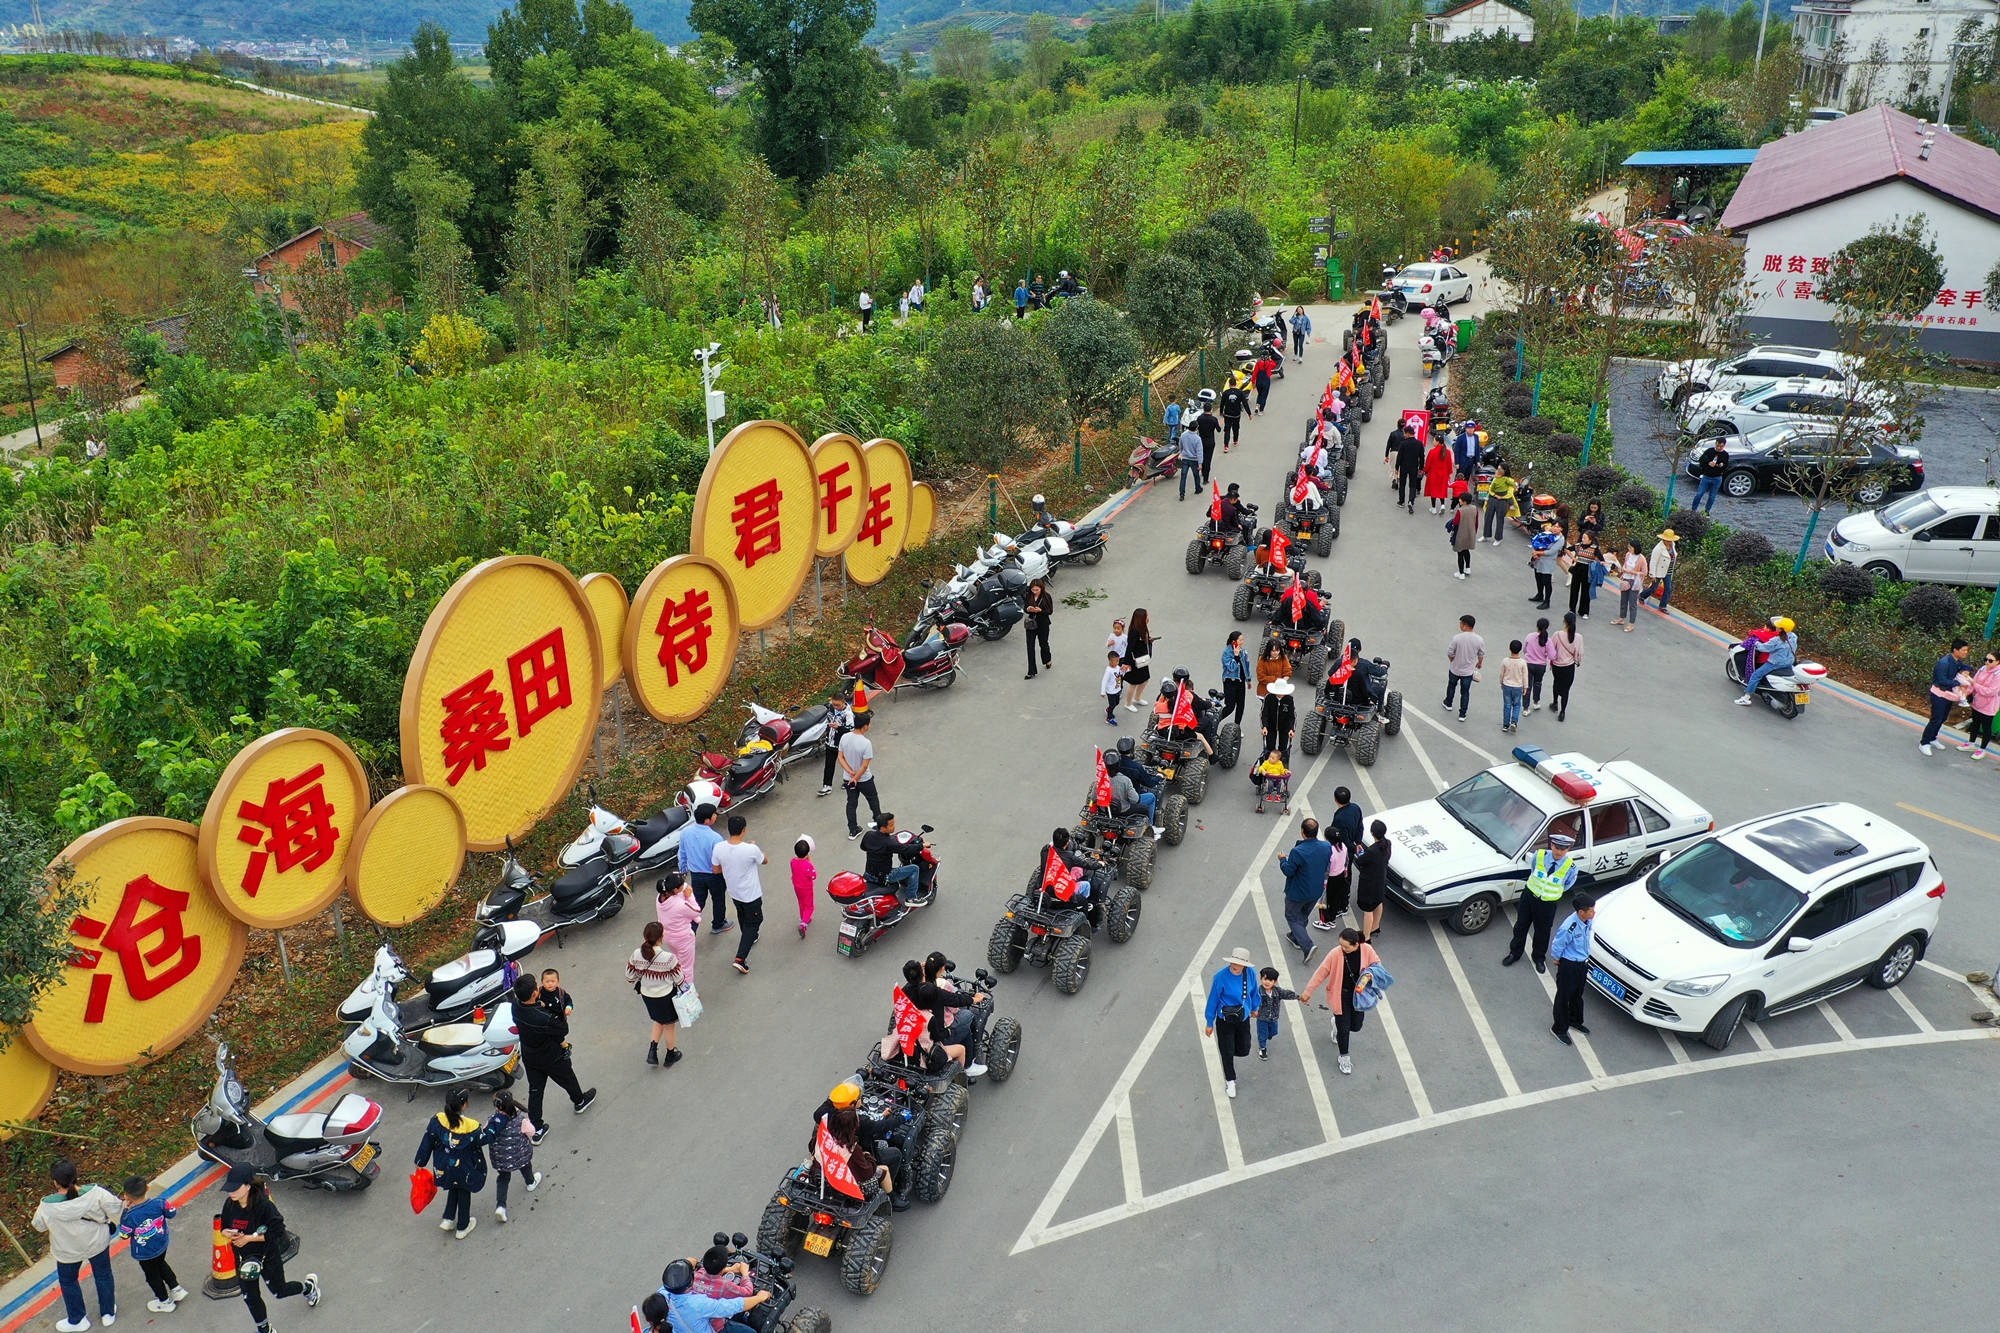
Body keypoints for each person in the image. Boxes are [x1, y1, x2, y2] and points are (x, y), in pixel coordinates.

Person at [218, 1163, 318, 1329]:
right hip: (244, 1259)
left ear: (248, 1186)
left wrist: (249, 1238)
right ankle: (264, 1328)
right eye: (229, 1189)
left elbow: (277, 1231)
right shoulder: (230, 1204)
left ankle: (308, 1288)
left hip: (267, 1256)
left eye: (235, 1188)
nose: (231, 1193)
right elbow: (224, 1226)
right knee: (250, 1296)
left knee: (280, 1291)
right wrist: (226, 1233)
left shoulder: (264, 1206)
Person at [34, 1158, 121, 1332]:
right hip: (97, 1242)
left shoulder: (47, 1206)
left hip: (67, 1251)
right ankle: (108, 1313)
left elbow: (39, 1226)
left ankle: (77, 1319)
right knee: (103, 1275)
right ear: (76, 1175)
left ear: (55, 1182)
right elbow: (116, 1207)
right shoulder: (95, 1193)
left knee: (68, 1281)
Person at [513, 972, 597, 1130]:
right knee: (567, 1077)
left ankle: (536, 1128)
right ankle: (579, 1102)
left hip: (530, 1055)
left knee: (535, 1090)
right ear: (534, 994)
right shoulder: (544, 1017)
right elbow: (562, 1030)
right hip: (551, 1056)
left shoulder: (516, 1006)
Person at [416, 1087, 496, 1240]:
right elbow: (485, 1139)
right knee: (464, 1192)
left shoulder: (437, 1120)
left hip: (443, 1166)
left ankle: (448, 1218)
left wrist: (420, 1162)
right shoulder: (471, 1126)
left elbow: (428, 1140)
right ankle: (462, 1226)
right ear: (464, 1105)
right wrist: (494, 1124)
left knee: (453, 1187)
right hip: (463, 1168)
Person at [1299, 927, 1381, 1075]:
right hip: (1340, 995)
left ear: (1356, 944)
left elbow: (1377, 965)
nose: (1342, 948)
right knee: (1344, 1029)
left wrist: (1369, 976)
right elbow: (1321, 973)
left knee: (1356, 1026)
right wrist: (1308, 991)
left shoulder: (1367, 950)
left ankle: (1335, 1024)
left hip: (1358, 996)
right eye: (1341, 945)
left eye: (1346, 946)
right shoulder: (1335, 954)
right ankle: (1344, 1057)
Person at [1502, 829, 1579, 973]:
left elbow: (1567, 884)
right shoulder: (1539, 855)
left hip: (1547, 904)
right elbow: (1533, 871)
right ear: (1552, 845)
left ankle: (1539, 958)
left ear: (1568, 849)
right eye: (1557, 847)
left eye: (1564, 849)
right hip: (1529, 897)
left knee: (1542, 932)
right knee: (1521, 927)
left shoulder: (1571, 867)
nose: (1559, 852)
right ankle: (1514, 953)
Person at [119, 1175, 187, 1314]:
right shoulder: (160, 1203)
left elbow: (124, 1235)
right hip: (161, 1244)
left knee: (152, 1276)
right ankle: (175, 1288)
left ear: (126, 1196)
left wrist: (125, 1211)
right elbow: (172, 1213)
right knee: (161, 1264)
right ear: (148, 1188)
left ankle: (164, 1301)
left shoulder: (129, 1216)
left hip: (144, 1253)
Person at [713, 815, 767, 975]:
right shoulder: (750, 849)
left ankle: (750, 937)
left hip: (734, 892)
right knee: (755, 920)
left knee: (742, 915)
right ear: (744, 830)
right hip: (751, 894)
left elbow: (716, 869)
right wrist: (755, 848)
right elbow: (765, 861)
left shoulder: (719, 848)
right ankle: (740, 959)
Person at [1203, 946, 1259, 1100]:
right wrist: (1209, 1022)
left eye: (1238, 964)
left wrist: (1255, 1007)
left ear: (1245, 965)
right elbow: (1213, 1000)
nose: (1234, 966)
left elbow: (1254, 992)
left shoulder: (1250, 974)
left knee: (1244, 1048)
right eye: (1233, 963)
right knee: (1227, 1051)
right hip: (1225, 1020)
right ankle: (1230, 1080)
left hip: (1243, 1018)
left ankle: (1229, 1049)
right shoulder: (1220, 977)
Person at [656, 1258, 770, 1333]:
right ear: (691, 1281)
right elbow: (734, 1305)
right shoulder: (699, 1304)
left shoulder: (662, 1294)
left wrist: (686, 1263)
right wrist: (759, 1297)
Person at [628, 920, 685, 1063]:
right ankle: (671, 1054)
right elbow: (679, 979)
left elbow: (630, 977)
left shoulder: (636, 954)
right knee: (669, 1026)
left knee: (658, 1020)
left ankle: (652, 1051)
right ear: (661, 937)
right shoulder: (669, 958)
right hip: (665, 996)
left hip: (647, 996)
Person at [1279, 818, 1333, 964]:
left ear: (1303, 832)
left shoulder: (1298, 852)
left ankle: (1307, 946)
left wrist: (1283, 859)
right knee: (1303, 914)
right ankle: (1295, 937)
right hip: (1316, 890)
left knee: (1291, 916)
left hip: (1298, 892)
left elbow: (1289, 871)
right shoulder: (1326, 846)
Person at [1549, 893, 1598, 1046]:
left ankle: (1574, 1020)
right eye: (1591, 910)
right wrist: (1558, 960)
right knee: (1563, 998)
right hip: (1569, 965)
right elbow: (1558, 945)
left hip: (1581, 963)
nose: (1594, 913)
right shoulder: (1569, 927)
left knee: (1577, 994)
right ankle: (1559, 1028)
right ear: (1581, 912)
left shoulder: (1586, 921)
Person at [486, 1091, 541, 1222]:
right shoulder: (520, 1120)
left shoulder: (492, 1121)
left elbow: (486, 1131)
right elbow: (532, 1132)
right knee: (526, 1167)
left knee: (503, 1179)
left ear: (497, 1107)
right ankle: (530, 1182)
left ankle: (501, 1206)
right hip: (520, 1155)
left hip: (501, 1159)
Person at [679, 803, 731, 935]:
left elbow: (682, 853)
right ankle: (718, 924)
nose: (716, 816)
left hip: (696, 875)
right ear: (708, 820)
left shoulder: (686, 832)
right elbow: (722, 859)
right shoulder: (716, 838)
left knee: (697, 903)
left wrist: (683, 869)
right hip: (714, 876)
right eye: (714, 814)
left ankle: (690, 930)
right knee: (718, 899)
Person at [1919, 638, 1973, 755]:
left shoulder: (1958, 662)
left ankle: (1933, 738)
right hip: (1939, 694)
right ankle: (1924, 743)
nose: (1965, 653)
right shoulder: (1944, 663)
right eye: (1963, 650)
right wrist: (1959, 683)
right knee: (1936, 719)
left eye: (1966, 650)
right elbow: (1941, 680)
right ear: (1955, 650)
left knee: (1942, 718)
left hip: (1948, 695)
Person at [1320, 786, 1363, 929]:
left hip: (1344, 852)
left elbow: (1342, 839)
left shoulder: (1339, 818)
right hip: (1351, 849)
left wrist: (1351, 847)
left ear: (1335, 799)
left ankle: (1340, 907)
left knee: (1340, 880)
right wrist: (1357, 843)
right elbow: (1360, 827)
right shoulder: (1356, 808)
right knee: (1347, 877)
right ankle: (1343, 904)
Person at [689, 1244, 758, 1330]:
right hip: (715, 1327)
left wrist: (730, 1269)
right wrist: (744, 1273)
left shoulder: (696, 1275)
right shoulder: (724, 1285)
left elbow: (708, 1271)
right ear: (724, 1266)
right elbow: (747, 1292)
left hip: (694, 1321)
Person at [839, 712, 882, 839]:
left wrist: (850, 773)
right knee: (873, 801)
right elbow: (864, 766)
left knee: (851, 804)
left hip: (848, 779)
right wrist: (856, 777)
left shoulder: (844, 737)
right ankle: (879, 826)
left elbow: (840, 757)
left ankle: (853, 830)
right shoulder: (866, 743)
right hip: (864, 779)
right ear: (865, 726)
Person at [655, 871, 701, 988]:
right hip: (683, 939)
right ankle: (688, 991)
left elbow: (680, 890)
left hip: (668, 937)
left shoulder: (660, 897)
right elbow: (696, 910)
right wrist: (690, 896)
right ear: (675, 890)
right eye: (682, 885)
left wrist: (683, 887)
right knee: (687, 967)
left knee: (679, 962)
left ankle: (678, 980)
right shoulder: (680, 905)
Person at [1104, 752, 1163, 837]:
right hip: (1124, 810)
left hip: (1106, 810)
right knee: (1151, 799)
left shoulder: (1100, 780)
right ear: (1118, 765)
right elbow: (1135, 799)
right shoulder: (1125, 780)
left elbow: (1094, 798)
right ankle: (1150, 827)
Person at [1958, 650, 2000, 756]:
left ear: (1998, 662)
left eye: (1990, 661)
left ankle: (1982, 749)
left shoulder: (1998, 674)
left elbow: (1990, 691)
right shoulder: (1982, 669)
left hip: (1989, 705)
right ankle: (1971, 743)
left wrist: (1974, 685)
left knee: (1986, 727)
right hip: (1977, 702)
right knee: (1975, 723)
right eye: (1986, 659)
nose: (1987, 662)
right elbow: (1973, 684)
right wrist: (1965, 694)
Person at [1356, 819, 1391, 942]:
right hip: (1380, 881)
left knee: (1368, 911)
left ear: (1372, 833)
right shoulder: (1387, 844)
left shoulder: (1372, 851)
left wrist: (1360, 853)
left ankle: (1366, 937)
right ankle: (1375, 927)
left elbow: (1360, 861)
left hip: (1369, 884)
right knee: (1378, 903)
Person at [1255, 966, 1300, 1060]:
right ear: (1261, 979)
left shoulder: (1277, 991)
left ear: (1274, 982)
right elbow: (1251, 1000)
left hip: (1274, 1018)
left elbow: (1287, 994)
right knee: (1262, 1034)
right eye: (1265, 979)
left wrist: (1298, 997)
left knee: (1273, 1032)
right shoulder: (1258, 992)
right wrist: (1252, 1010)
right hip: (1262, 1018)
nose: (1267, 982)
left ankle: (1268, 1035)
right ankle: (1262, 1048)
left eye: (1270, 980)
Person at [1444, 613, 1483, 721]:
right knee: (1465, 692)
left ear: (1465, 625)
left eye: (1461, 623)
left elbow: (1450, 652)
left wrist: (1453, 660)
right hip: (1468, 672)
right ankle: (1462, 714)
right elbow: (1481, 654)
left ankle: (1448, 703)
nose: (1460, 625)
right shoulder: (1479, 639)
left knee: (1451, 686)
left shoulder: (1457, 638)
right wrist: (1479, 663)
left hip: (1455, 669)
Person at [818, 692, 856, 796]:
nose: (835, 707)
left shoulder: (848, 714)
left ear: (844, 702)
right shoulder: (830, 708)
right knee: (829, 765)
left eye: (837, 705)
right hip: (830, 742)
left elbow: (851, 729)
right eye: (833, 704)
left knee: (847, 764)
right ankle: (827, 786)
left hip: (843, 744)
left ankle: (849, 781)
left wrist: (838, 727)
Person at [1550, 612, 1583, 722]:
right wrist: (1578, 662)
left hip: (1557, 665)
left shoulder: (1557, 634)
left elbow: (1551, 649)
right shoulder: (1578, 637)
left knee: (1556, 682)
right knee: (1566, 689)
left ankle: (1555, 702)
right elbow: (1579, 653)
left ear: (1564, 621)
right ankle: (1562, 711)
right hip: (1569, 667)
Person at [1121, 607, 1155, 711]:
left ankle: (1137, 698)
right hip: (1135, 661)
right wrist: (1126, 663)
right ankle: (1128, 703)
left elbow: (1141, 642)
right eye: (1146, 616)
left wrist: (1149, 641)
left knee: (1145, 679)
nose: (1148, 617)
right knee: (1134, 683)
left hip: (1142, 660)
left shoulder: (1143, 628)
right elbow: (1129, 647)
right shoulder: (1134, 631)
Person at [1261, 675, 1298, 763]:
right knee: (1270, 748)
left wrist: (1291, 729)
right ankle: (1268, 764)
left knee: (1283, 748)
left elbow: (1292, 716)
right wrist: (1264, 727)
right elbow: (1264, 713)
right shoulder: (1269, 698)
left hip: (1284, 727)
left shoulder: (1289, 699)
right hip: (1271, 726)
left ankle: (1281, 765)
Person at [1528, 520, 1564, 609]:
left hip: (1548, 562)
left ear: (1561, 529)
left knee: (1546, 581)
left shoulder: (1560, 539)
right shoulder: (1547, 534)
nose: (1555, 528)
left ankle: (1547, 601)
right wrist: (1535, 551)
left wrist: (1537, 552)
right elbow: (1537, 541)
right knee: (1538, 577)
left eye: (1558, 527)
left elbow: (1551, 551)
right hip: (1539, 560)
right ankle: (1540, 595)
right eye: (1554, 526)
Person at [1023, 576, 1054, 678]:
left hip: (1043, 624)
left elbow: (1050, 611)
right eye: (1033, 589)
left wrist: (1040, 611)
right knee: (1030, 647)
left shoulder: (1047, 597)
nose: (1035, 591)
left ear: (1041, 588)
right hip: (1031, 624)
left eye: (1037, 590)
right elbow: (1025, 608)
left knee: (1043, 643)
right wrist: (1029, 609)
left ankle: (1047, 660)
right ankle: (1031, 671)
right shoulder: (1029, 596)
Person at [1565, 533, 1599, 619]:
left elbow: (1601, 559)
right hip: (1577, 569)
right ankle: (1572, 609)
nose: (1582, 539)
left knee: (1586, 592)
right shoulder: (1578, 545)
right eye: (1582, 537)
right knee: (1574, 590)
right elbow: (1567, 549)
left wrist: (1595, 561)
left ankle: (1584, 611)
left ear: (1590, 539)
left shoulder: (1594, 548)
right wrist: (1573, 558)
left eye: (1584, 537)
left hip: (1587, 571)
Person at [1220, 631, 1250, 729]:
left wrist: (1248, 679)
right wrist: (1236, 656)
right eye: (1240, 640)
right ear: (1234, 642)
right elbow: (1231, 668)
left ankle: (1237, 727)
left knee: (1241, 705)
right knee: (1230, 707)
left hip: (1240, 682)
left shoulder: (1243, 651)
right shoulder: (1227, 653)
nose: (1242, 642)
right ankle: (1215, 720)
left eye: (1242, 640)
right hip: (1230, 682)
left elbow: (1246, 666)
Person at [1522, 617, 1553, 713]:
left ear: (1537, 626)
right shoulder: (1548, 640)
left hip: (1529, 664)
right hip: (1541, 666)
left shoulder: (1530, 636)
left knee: (1527, 686)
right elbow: (1552, 655)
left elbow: (1524, 650)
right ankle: (1536, 702)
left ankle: (1525, 708)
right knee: (1538, 684)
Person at [1615, 541, 1647, 630]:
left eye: (1630, 547)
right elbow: (1625, 564)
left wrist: (1632, 572)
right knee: (1623, 600)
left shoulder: (1641, 559)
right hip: (1626, 579)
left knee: (1632, 603)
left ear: (1635, 548)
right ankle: (1621, 618)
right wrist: (1624, 569)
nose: (1629, 548)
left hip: (1634, 581)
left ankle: (1631, 623)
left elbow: (1644, 573)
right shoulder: (1628, 554)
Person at [1483, 463, 1517, 544]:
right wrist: (1494, 495)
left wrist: (1501, 497)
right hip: (1492, 499)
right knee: (1487, 517)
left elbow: (1510, 493)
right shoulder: (1496, 478)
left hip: (1502, 501)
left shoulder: (1508, 480)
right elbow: (1491, 488)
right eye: (1498, 468)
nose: (1498, 470)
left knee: (1500, 520)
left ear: (1504, 471)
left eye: (1500, 469)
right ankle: (1485, 535)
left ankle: (1498, 538)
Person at [790, 835, 817, 937]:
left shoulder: (792, 861)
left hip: (797, 887)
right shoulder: (808, 865)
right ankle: (803, 924)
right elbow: (814, 876)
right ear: (807, 853)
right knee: (810, 906)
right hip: (807, 888)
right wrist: (809, 861)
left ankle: (804, 917)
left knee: (801, 903)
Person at [1692, 439, 1729, 513]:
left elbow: (1726, 466)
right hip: (1706, 476)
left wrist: (1722, 465)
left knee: (1712, 496)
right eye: (1718, 445)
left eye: (1721, 446)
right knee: (1699, 494)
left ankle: (1707, 511)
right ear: (1715, 444)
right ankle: (1693, 510)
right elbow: (1701, 460)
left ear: (1724, 446)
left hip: (1717, 478)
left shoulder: (1725, 454)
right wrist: (1708, 462)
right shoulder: (1709, 451)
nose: (1719, 448)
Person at [1192, 394, 1221, 485]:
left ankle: (1202, 470)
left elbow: (1196, 428)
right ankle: (1205, 478)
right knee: (1208, 459)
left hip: (1201, 441)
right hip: (1210, 441)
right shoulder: (1213, 419)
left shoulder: (1199, 418)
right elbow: (1219, 430)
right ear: (1211, 409)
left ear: (1204, 409)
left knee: (1201, 457)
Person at [1500, 639, 1527, 733]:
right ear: (1520, 650)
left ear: (1509, 648)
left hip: (1507, 685)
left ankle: (1505, 725)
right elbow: (1525, 676)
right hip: (1518, 686)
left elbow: (1501, 674)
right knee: (1517, 705)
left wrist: (1501, 683)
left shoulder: (1505, 661)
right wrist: (1525, 687)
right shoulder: (1523, 662)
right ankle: (1514, 722)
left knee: (1507, 705)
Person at [1647, 529, 1678, 610]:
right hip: (1659, 571)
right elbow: (1653, 562)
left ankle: (1663, 606)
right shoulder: (1658, 548)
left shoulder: (1672, 545)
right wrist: (1652, 574)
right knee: (1654, 588)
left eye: (1670, 540)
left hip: (1668, 571)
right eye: (1667, 540)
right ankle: (1642, 596)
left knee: (1668, 589)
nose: (1669, 542)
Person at [1422, 436, 1453, 516]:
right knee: (1441, 490)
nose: (1433, 442)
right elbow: (1450, 465)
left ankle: (1434, 508)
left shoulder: (1432, 452)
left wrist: (1424, 471)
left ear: (1438, 442)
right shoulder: (1448, 452)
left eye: (1434, 440)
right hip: (1444, 475)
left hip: (1433, 475)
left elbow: (1428, 464)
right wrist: (1448, 474)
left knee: (1433, 491)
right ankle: (1442, 505)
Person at [1450, 494, 1478, 578]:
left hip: (1461, 534)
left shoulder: (1460, 510)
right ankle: (1468, 568)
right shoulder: (1474, 509)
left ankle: (1461, 573)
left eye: (1460, 499)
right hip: (1471, 533)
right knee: (1466, 551)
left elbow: (1455, 523)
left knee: (1460, 554)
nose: (1459, 500)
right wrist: (1474, 532)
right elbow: (1476, 522)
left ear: (1464, 501)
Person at [1176, 417, 1203, 500]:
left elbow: (1180, 445)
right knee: (1196, 475)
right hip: (1194, 460)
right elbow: (1199, 452)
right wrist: (1200, 463)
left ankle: (1182, 494)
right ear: (1196, 428)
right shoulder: (1197, 439)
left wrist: (1181, 453)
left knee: (1183, 476)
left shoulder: (1183, 435)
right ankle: (1198, 489)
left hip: (1185, 458)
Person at [1219, 379, 1249, 454]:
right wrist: (1249, 413)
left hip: (1227, 414)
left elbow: (1222, 403)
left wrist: (1221, 412)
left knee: (1227, 430)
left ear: (1229, 384)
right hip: (1236, 414)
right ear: (1236, 384)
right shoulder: (1240, 393)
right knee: (1236, 428)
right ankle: (1235, 440)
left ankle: (1226, 446)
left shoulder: (1225, 393)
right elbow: (1245, 403)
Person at [1101, 650, 1125, 726]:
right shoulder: (1108, 671)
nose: (1118, 662)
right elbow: (1104, 681)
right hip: (1111, 692)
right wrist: (1103, 692)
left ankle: (1108, 709)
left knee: (1117, 702)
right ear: (1111, 661)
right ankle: (1109, 718)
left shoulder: (1117, 667)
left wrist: (1125, 670)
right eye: (1116, 661)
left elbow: (1120, 673)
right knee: (1112, 704)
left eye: (1118, 660)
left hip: (1117, 689)